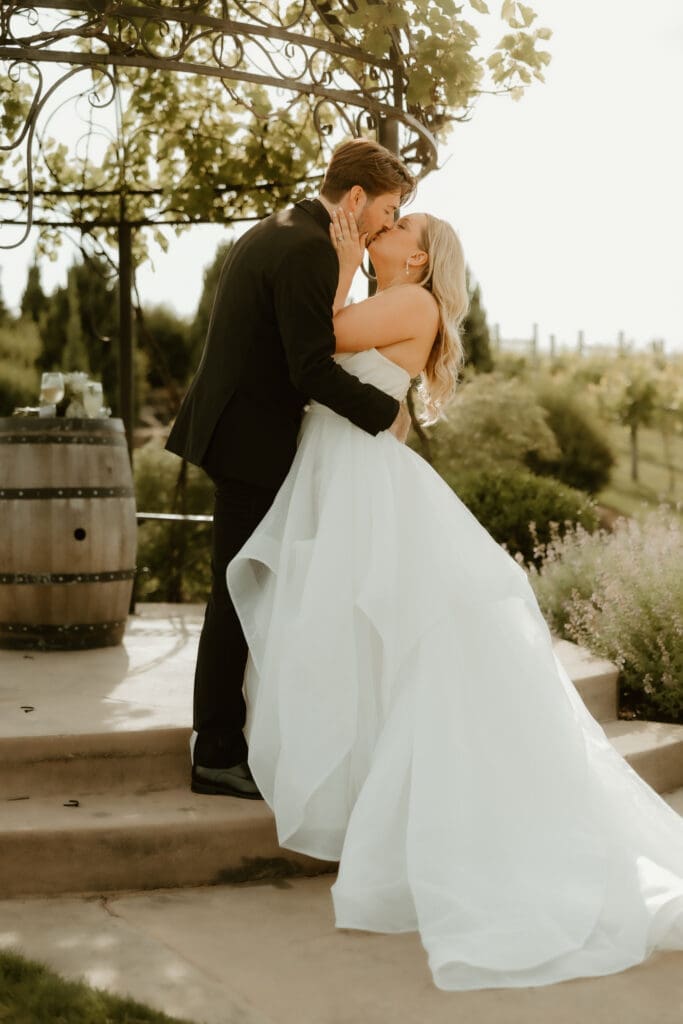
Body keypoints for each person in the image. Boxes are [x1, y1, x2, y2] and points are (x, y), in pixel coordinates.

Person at [226, 208, 683, 990]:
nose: (383, 229)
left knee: (379, 631)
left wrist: (337, 267)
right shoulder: (403, 299)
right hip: (346, 473)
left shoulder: (409, 300)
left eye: (399, 226)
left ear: (417, 258)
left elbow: (319, 340)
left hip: (362, 484)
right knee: (351, 631)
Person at [165, 138, 416, 797]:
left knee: (252, 587)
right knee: (238, 591)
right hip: (252, 442)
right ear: (356, 198)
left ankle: (251, 732)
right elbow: (309, 365)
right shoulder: (307, 248)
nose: (387, 225)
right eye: (387, 210)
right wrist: (383, 411)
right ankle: (217, 749)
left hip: (239, 431)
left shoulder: (286, 227)